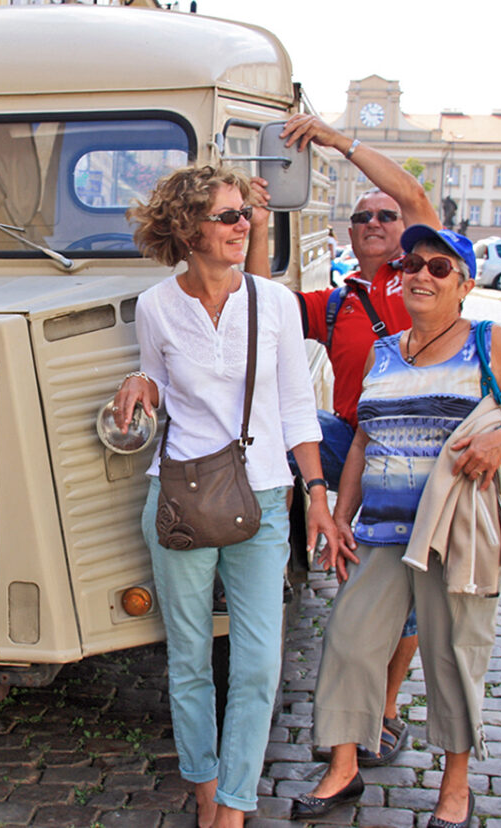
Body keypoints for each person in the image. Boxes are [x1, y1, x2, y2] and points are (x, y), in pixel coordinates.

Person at [291, 224, 501, 826]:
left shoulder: (489, 344)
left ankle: (455, 787)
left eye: (439, 268)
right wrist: (341, 517)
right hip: (381, 532)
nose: (421, 274)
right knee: (349, 641)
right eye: (413, 263)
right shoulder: (384, 352)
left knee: (451, 654)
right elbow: (364, 438)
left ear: (464, 285)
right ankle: (343, 770)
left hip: (455, 531)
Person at [112, 164, 336, 828]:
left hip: (265, 497)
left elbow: (298, 409)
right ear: (188, 228)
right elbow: (158, 377)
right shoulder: (154, 306)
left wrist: (316, 493)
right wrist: (140, 384)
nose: (245, 226)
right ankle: (206, 789)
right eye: (229, 216)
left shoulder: (276, 304)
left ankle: (235, 806)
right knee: (187, 659)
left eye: (246, 215)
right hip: (179, 494)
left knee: (259, 662)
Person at [245, 112, 440, 768]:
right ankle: (284, 538)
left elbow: (415, 199)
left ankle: (384, 707)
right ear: (349, 235)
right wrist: (255, 219)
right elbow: (259, 301)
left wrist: (337, 141)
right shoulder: (336, 303)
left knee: (408, 585)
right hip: (354, 438)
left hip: (419, 451)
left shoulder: (423, 278)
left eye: (387, 216)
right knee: (273, 424)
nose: (379, 223)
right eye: (364, 219)